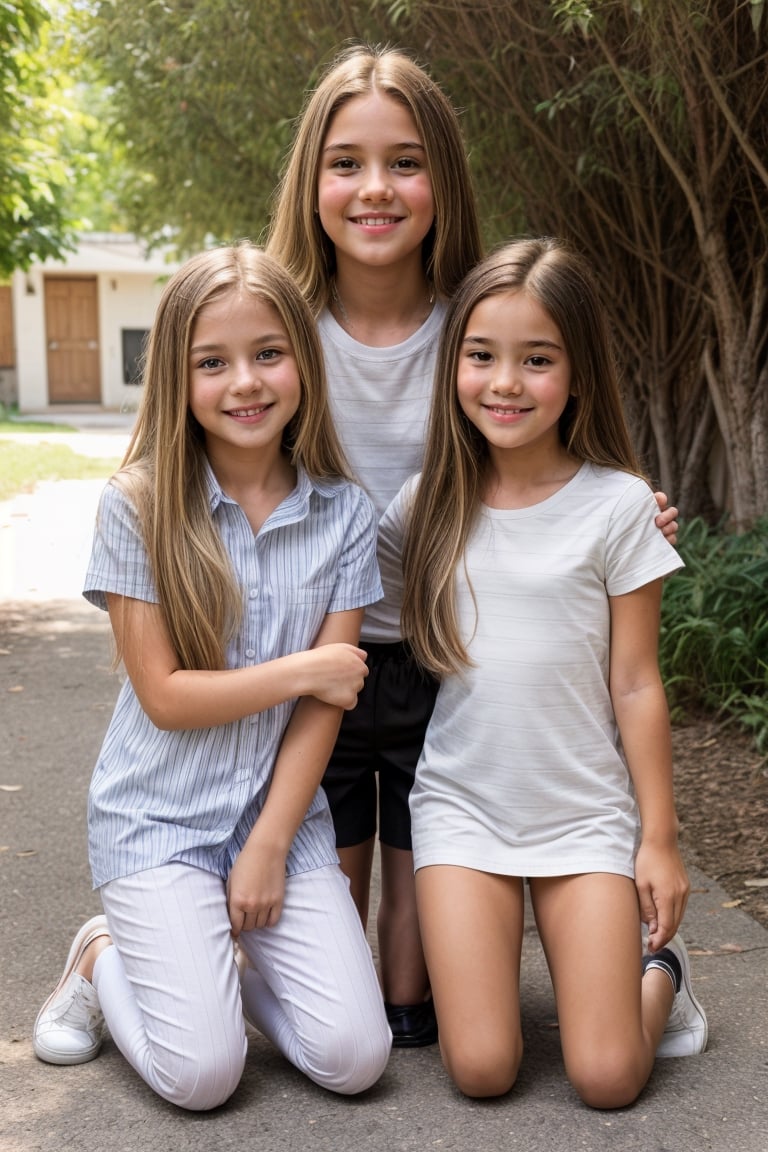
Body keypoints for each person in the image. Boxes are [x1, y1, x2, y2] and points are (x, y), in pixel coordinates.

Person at [267, 44, 680, 1048]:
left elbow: (549, 457)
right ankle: (125, 945)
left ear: (444, 177)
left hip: (439, 668)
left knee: (412, 1014)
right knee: (326, 984)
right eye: (347, 161)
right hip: (310, 658)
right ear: (311, 180)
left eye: (405, 161)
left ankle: (642, 973)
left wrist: (622, 519)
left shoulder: (481, 326)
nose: (376, 188)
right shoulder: (276, 328)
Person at [32, 243, 392, 1110]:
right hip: (157, 816)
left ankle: (208, 978)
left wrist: (270, 845)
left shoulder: (342, 512)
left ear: (302, 361)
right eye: (212, 362)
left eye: (268, 354)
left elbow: (326, 713)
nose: (246, 383)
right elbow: (166, 695)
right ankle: (103, 957)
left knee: (356, 1058)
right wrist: (302, 667)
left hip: (278, 819)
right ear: (178, 377)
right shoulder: (139, 505)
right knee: (203, 1077)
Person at [376, 237, 708, 1108]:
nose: (505, 383)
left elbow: (636, 683)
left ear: (580, 372)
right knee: (482, 1068)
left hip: (582, 812)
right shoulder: (423, 509)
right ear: (456, 364)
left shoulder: (619, 506)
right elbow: (332, 594)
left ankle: (661, 975)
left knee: (606, 1078)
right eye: (481, 356)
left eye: (538, 359)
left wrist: (659, 841)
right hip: (462, 808)